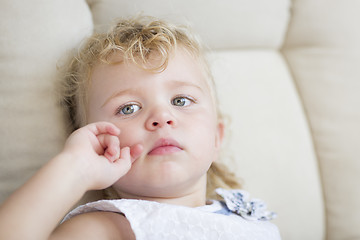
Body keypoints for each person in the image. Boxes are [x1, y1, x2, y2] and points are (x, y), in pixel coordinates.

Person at [0, 16, 281, 239]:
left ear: (217, 138)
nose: (161, 117)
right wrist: (76, 168)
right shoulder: (113, 226)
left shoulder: (246, 215)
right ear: (100, 146)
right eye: (129, 108)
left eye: (181, 100)